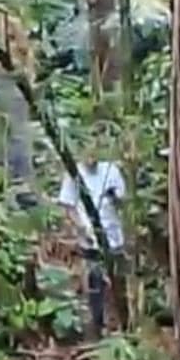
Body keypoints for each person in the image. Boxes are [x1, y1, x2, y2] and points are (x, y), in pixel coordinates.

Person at [57, 137, 127, 336]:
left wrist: (114, 197)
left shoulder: (110, 170)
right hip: (90, 238)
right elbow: (68, 207)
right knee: (95, 280)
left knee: (116, 277)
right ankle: (98, 324)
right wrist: (81, 229)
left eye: (94, 152)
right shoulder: (74, 173)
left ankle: (121, 320)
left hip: (113, 235)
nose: (91, 156)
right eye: (86, 152)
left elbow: (123, 200)